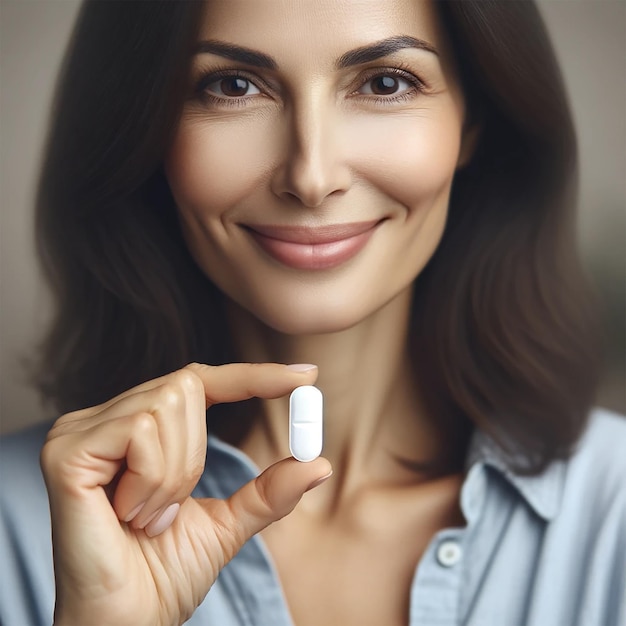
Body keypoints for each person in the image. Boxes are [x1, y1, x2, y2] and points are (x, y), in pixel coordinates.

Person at [1, 0, 624, 624]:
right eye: (233, 86)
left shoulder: (614, 509)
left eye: (385, 83)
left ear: (472, 123)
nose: (312, 174)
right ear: (145, 128)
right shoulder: (15, 527)